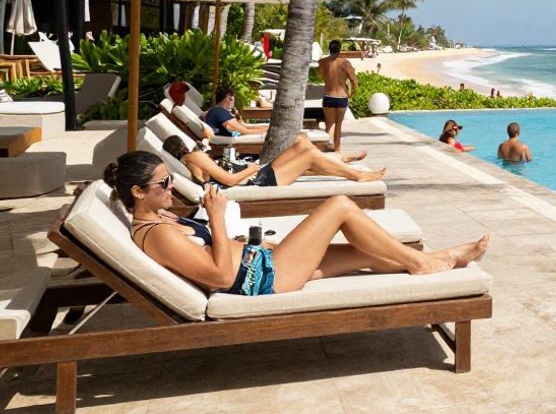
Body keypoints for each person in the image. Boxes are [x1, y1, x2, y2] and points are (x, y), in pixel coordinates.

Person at [105, 152, 488, 296]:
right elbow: (221, 276)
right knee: (339, 205)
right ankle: (423, 264)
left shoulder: (160, 216)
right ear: (138, 192)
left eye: (169, 179)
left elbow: (209, 251)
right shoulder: (155, 236)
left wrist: (226, 231)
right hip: (265, 278)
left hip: (264, 261)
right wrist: (218, 221)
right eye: (164, 184)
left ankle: (444, 257)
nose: (172, 187)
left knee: (361, 254)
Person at [162, 136, 382, 186]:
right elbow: (228, 181)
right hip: (257, 180)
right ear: (182, 146)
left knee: (301, 142)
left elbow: (202, 178)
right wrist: (251, 169)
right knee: (309, 155)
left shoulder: (191, 160)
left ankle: (339, 162)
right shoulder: (195, 156)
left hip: (259, 174)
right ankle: (358, 175)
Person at [318, 39, 358, 152]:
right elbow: (354, 81)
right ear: (340, 49)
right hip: (341, 97)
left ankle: (327, 147)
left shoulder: (322, 62)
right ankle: (337, 150)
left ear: (329, 49)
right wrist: (351, 93)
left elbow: (321, 76)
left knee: (329, 125)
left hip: (328, 96)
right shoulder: (345, 63)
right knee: (338, 125)